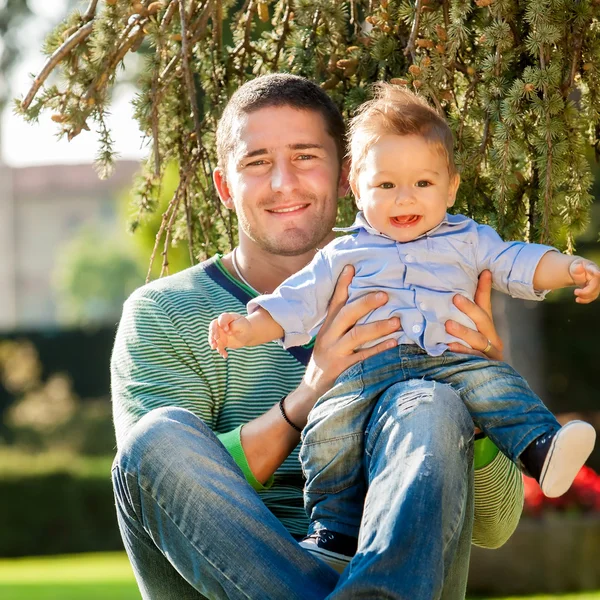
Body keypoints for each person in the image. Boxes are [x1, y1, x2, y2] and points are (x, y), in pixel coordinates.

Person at [111, 74, 525, 600]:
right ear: (224, 187)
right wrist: (308, 396)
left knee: (434, 402)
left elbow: (496, 525)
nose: (284, 182)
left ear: (346, 176)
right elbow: (162, 492)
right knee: (156, 439)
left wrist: (479, 394)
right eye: (257, 162)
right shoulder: (165, 313)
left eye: (305, 156)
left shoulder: (436, 294)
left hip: (393, 573)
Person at [209, 83, 597, 564]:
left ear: (451, 186)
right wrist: (248, 329)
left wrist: (569, 269)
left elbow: (517, 262)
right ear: (357, 188)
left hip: (449, 361)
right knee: (329, 432)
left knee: (496, 383)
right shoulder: (343, 252)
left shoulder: (469, 240)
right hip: (365, 373)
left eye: (423, 184)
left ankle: (541, 449)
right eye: (386, 185)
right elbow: (295, 301)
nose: (403, 199)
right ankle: (334, 531)